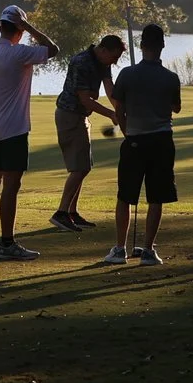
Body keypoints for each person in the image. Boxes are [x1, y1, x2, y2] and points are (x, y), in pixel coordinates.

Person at [0, 4, 56, 261]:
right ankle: (7, 243)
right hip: (14, 131)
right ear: (18, 30)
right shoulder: (19, 53)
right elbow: (53, 50)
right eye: (22, 29)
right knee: (11, 186)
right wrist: (29, 27)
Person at [102, 23, 182, 266]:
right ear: (162, 47)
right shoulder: (171, 77)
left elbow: (119, 108)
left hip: (135, 140)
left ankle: (119, 250)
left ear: (142, 45)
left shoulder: (127, 74)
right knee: (156, 196)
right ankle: (148, 251)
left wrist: (127, 133)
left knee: (125, 196)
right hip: (161, 140)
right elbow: (176, 107)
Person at [50, 33, 125, 230]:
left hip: (81, 116)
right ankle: (61, 213)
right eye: (114, 57)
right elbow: (84, 99)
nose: (115, 62)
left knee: (83, 166)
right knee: (79, 168)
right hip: (70, 115)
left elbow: (110, 89)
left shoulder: (103, 62)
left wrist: (120, 111)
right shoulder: (81, 62)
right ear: (103, 50)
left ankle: (71, 212)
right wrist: (112, 115)